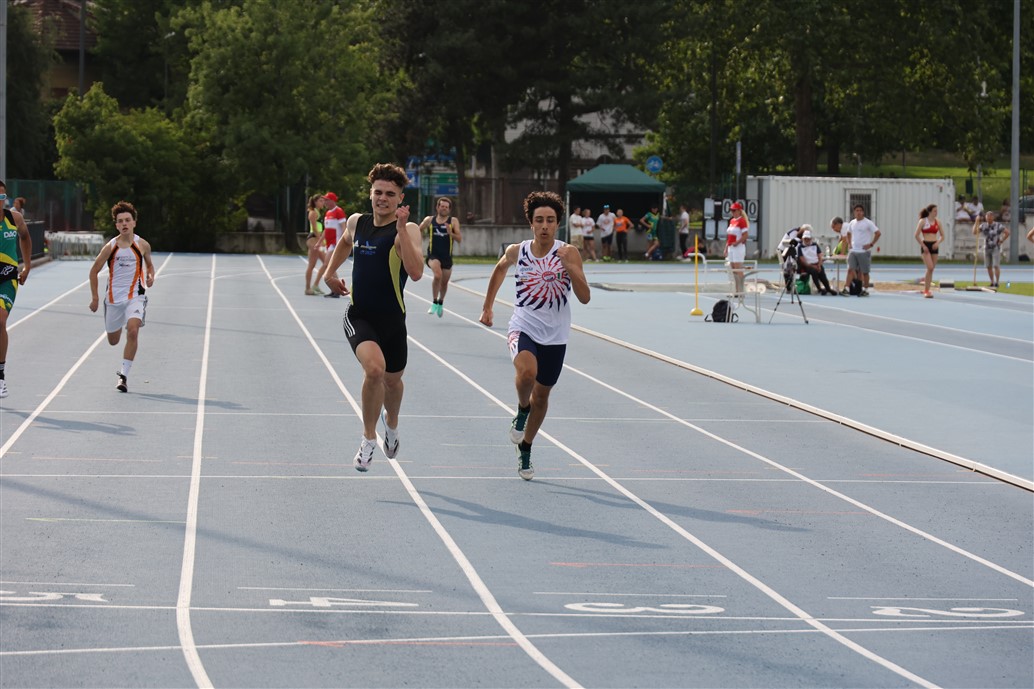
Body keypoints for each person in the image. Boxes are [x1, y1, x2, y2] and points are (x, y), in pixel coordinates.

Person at [479, 191, 590, 480]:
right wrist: (488, 306)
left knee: (542, 395)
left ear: (557, 224)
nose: (544, 226)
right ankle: (522, 408)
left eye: (550, 220)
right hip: (523, 326)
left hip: (555, 336)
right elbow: (499, 269)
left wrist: (570, 268)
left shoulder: (569, 252)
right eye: (539, 220)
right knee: (527, 373)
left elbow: (585, 296)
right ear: (531, 223)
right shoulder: (518, 251)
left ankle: (526, 446)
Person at [322, 163, 423, 472]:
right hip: (360, 315)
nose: (383, 198)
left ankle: (391, 424)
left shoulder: (408, 229)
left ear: (401, 198)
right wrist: (329, 273)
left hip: (393, 321)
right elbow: (344, 242)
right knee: (375, 370)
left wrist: (401, 230)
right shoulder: (357, 222)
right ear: (370, 193)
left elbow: (416, 273)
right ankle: (368, 439)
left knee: (393, 382)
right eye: (378, 192)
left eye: (390, 194)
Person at [88, 201, 156, 393]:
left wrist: (151, 276)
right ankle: (116, 325)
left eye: (127, 220)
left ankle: (123, 376)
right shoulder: (110, 247)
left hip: (135, 296)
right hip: (113, 300)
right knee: (113, 340)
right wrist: (95, 298)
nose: (124, 223)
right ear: (116, 225)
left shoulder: (142, 245)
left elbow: (150, 265)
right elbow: (93, 271)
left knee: (133, 331)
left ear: (134, 222)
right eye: (120, 221)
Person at [0, 180, 33, 398]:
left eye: (2, 197)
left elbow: (26, 237)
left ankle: (0, 377)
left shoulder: (14, 218)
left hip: (7, 278)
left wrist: (27, 266)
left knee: (0, 319)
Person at [419, 196, 462, 317]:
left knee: (444, 282)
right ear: (437, 207)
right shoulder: (429, 220)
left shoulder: (453, 221)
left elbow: (459, 239)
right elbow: (418, 229)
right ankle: (434, 302)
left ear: (449, 209)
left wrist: (450, 233)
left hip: (447, 256)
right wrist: (419, 242)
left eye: (446, 207)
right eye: (442, 206)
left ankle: (440, 302)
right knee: (437, 275)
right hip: (433, 255)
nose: (444, 208)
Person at [839, 204, 880, 296]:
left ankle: (865, 289)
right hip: (853, 251)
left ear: (863, 212)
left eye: (860, 211)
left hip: (863, 251)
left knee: (864, 272)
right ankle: (846, 288)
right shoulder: (852, 223)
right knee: (850, 269)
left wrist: (871, 244)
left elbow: (878, 233)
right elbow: (848, 233)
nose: (858, 212)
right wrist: (849, 244)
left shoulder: (868, 223)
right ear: (854, 212)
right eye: (857, 210)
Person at [914, 204, 944, 298]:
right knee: (930, 268)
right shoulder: (923, 221)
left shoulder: (938, 222)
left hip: (934, 245)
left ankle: (927, 287)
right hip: (926, 245)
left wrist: (937, 243)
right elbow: (916, 235)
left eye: (937, 211)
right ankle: (926, 291)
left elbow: (942, 236)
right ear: (930, 212)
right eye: (935, 211)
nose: (936, 212)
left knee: (931, 269)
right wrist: (923, 245)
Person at [974, 211, 1009, 288]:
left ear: (993, 217)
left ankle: (997, 282)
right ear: (986, 218)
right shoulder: (983, 225)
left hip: (995, 247)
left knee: (996, 265)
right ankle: (992, 282)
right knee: (988, 266)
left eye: (990, 217)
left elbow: (1007, 232)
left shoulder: (998, 225)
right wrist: (976, 222)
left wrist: (1001, 240)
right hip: (987, 247)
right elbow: (974, 232)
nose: (989, 219)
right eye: (987, 217)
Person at [321, 191, 346, 298]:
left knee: (328, 264)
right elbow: (326, 230)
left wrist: (343, 242)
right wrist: (319, 242)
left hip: (335, 243)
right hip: (329, 243)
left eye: (327, 200)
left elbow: (344, 228)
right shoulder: (327, 213)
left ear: (332, 200)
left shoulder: (338, 211)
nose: (325, 202)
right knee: (330, 266)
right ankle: (335, 289)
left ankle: (336, 289)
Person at [796, 229, 834, 295]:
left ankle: (828, 288)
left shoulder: (815, 245)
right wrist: (813, 266)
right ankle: (819, 289)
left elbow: (819, 256)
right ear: (803, 239)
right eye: (805, 239)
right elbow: (802, 260)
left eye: (808, 238)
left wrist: (819, 265)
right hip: (807, 265)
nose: (806, 240)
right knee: (814, 272)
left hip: (816, 263)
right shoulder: (800, 247)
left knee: (822, 273)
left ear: (810, 239)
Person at [304, 193, 327, 295]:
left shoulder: (318, 212)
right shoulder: (313, 212)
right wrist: (320, 241)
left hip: (317, 239)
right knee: (313, 264)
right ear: (315, 202)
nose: (323, 203)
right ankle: (308, 288)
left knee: (325, 263)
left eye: (323, 201)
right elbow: (314, 228)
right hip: (314, 239)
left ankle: (315, 285)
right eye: (321, 201)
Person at [725, 201, 749, 293]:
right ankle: (737, 289)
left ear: (739, 211)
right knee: (733, 269)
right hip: (731, 247)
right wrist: (726, 247)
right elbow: (729, 236)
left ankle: (741, 290)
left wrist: (737, 242)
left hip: (738, 247)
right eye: (731, 210)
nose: (733, 212)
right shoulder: (732, 221)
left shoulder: (741, 221)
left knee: (738, 269)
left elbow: (745, 235)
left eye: (734, 210)